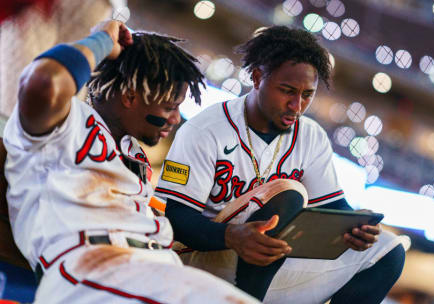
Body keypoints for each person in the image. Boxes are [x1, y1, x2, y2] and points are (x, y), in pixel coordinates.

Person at [2, 20, 259, 304]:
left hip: (154, 265)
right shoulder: (64, 123)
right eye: (169, 107)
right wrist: (102, 41)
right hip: (93, 266)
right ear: (130, 96)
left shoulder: (134, 154)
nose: (175, 119)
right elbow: (43, 81)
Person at [155, 26, 406, 303]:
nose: (297, 105)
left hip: (270, 262)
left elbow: (332, 209)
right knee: (286, 194)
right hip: (202, 259)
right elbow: (176, 217)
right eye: (287, 91)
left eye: (307, 94)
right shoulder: (205, 130)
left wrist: (357, 227)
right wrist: (232, 236)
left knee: (387, 250)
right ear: (258, 77)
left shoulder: (310, 135)